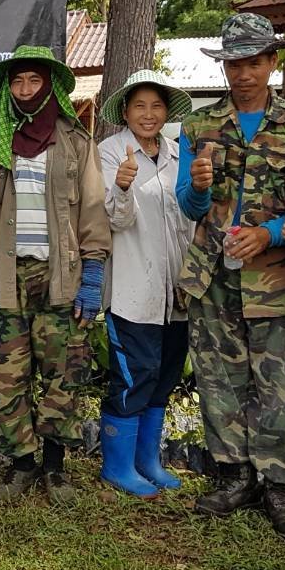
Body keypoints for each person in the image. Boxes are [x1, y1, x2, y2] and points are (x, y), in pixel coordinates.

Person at [175, 13, 285, 540]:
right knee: (218, 374)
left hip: (273, 275)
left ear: (272, 63)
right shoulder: (198, 126)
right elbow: (188, 207)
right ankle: (233, 473)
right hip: (211, 271)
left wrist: (271, 234)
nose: (243, 73)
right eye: (235, 63)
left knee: (277, 381)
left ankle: (279, 483)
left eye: (254, 62)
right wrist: (200, 188)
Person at [0, 45, 111, 507]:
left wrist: (94, 271)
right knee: (8, 373)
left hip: (61, 276)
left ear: (49, 87)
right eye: (18, 82)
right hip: (8, 277)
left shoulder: (76, 142)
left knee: (62, 373)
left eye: (34, 81)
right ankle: (21, 463)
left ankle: (54, 466)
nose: (25, 90)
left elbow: (93, 211)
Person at [95, 69, 196, 497]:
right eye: (140, 106)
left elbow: (192, 211)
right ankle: (117, 466)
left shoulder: (178, 152)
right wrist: (121, 187)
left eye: (156, 106)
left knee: (166, 373)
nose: (148, 114)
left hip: (178, 288)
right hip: (133, 287)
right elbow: (115, 220)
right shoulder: (110, 151)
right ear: (125, 112)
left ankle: (147, 460)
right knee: (135, 373)